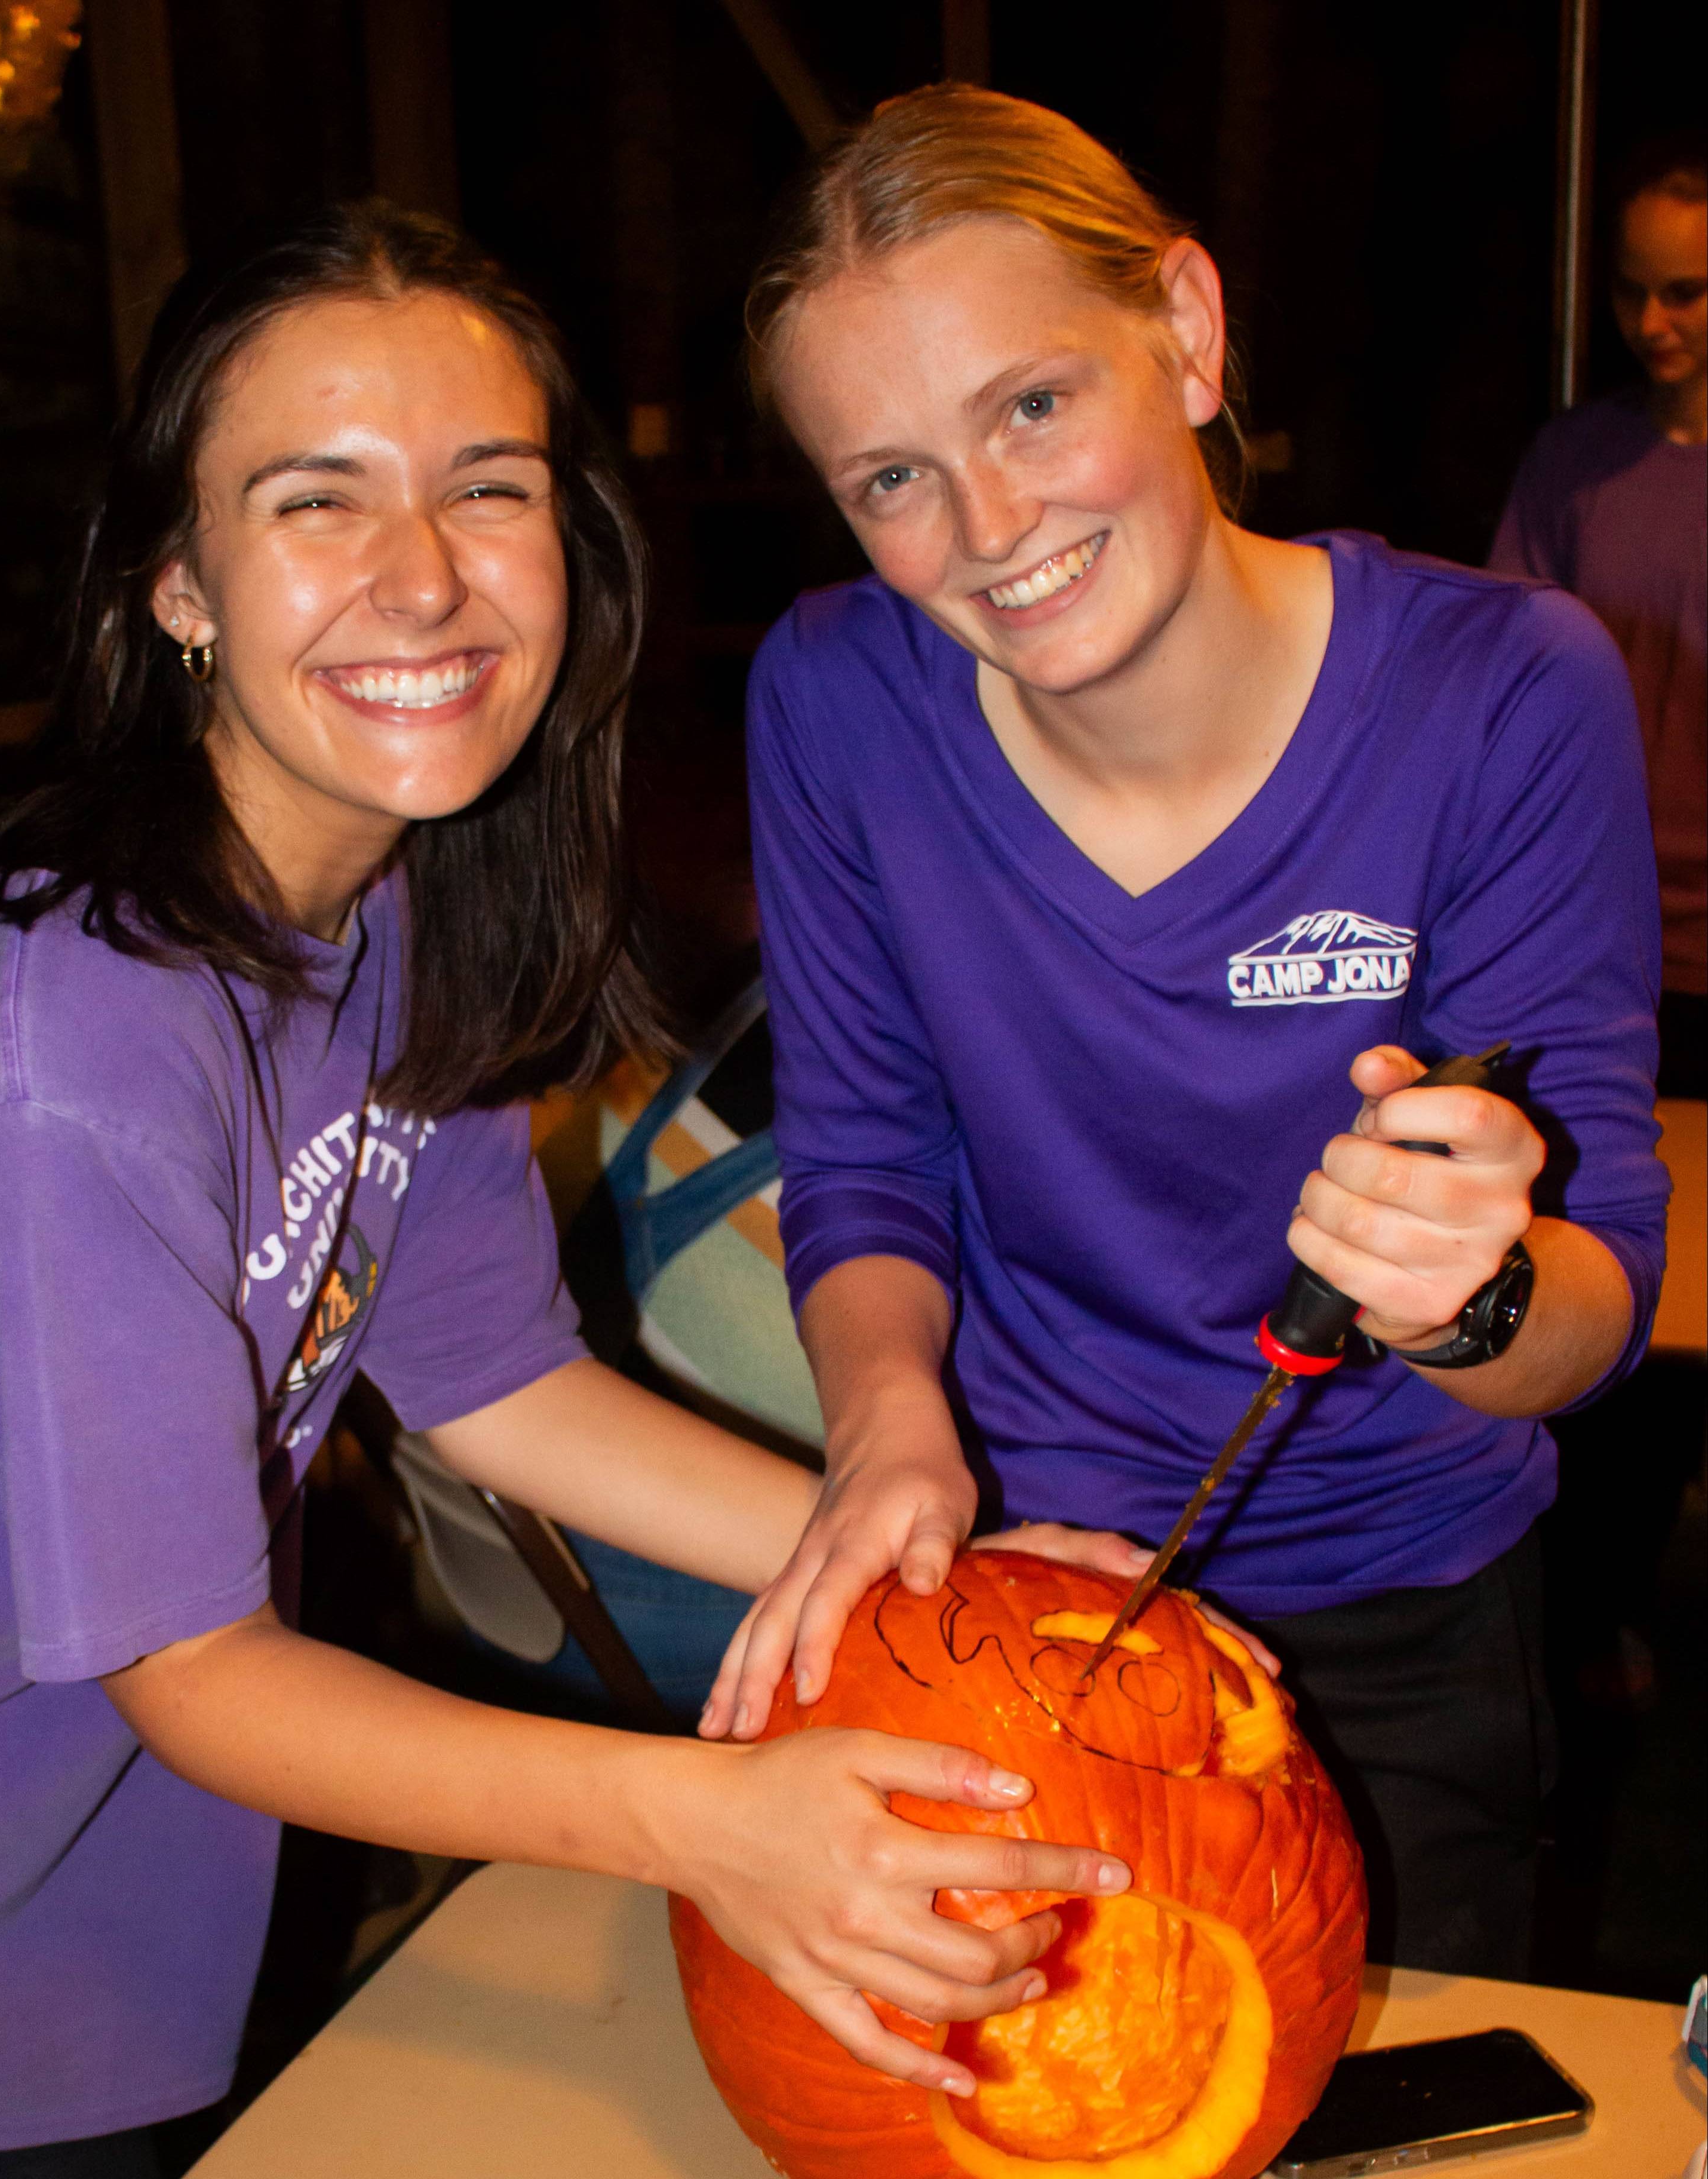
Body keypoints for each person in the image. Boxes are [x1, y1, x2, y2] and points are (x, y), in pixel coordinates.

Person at [0, 205, 1135, 2179]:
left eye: (487, 487)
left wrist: (939, 1568)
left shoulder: (384, 905)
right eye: (316, 501)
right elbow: (199, 1661)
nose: (423, 576)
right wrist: (711, 1815)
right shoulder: (66, 1067)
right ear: (177, 585)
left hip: (13, 1805)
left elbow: (482, 1375)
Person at [700, 87, 1669, 1979]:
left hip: (1403, 1612)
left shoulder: (1502, 694)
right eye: (889, 477)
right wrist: (889, 1426)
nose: (987, 529)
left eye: (1033, 405)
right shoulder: (833, 699)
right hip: (1018, 1604)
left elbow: (1594, 1316)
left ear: (1192, 334)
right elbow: (866, 1160)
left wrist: (1463, 1294)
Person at [1491, 135, 1707, 1098]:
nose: (1652, 321)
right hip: (1604, 922)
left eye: (1686, 292)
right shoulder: (1575, 461)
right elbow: (1506, 689)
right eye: (1630, 291)